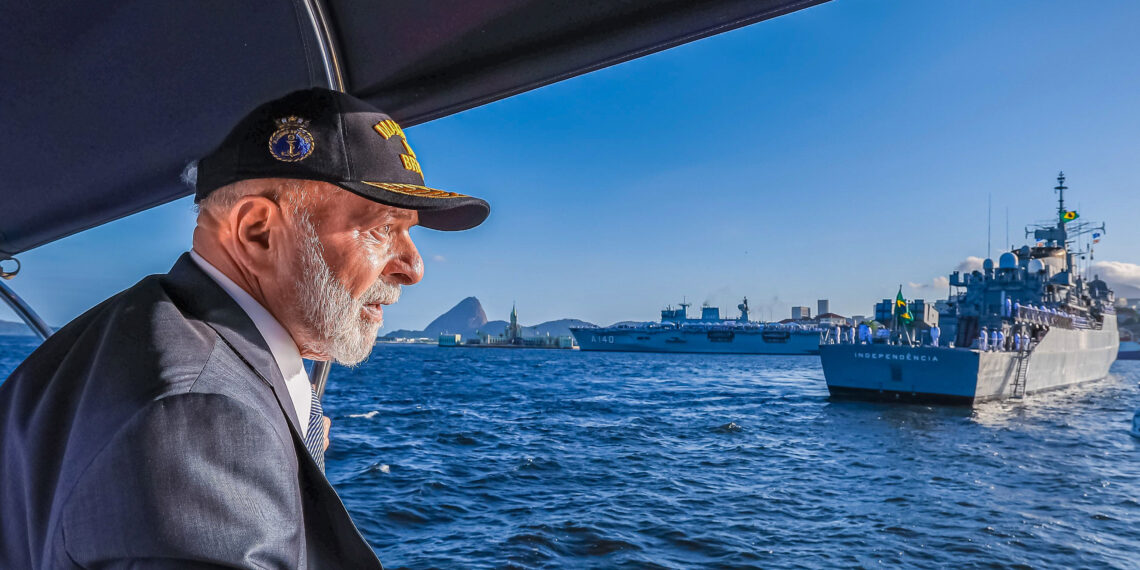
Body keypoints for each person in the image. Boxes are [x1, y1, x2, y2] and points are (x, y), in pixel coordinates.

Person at [0, 88, 490, 568]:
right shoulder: (205, 416)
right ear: (258, 231)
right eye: (384, 229)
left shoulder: (94, 346)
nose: (413, 267)